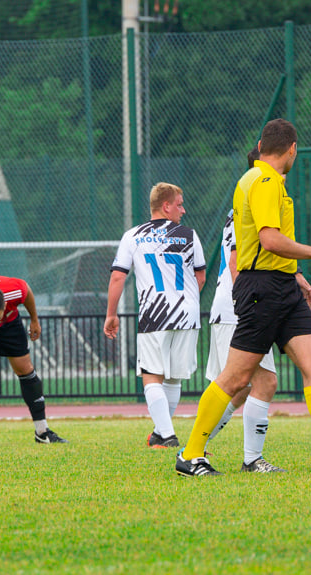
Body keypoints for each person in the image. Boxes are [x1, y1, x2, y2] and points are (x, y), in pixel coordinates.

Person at [175, 119, 311, 477]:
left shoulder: (265, 180)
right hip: (261, 289)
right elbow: (269, 240)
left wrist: (295, 276)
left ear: (262, 145)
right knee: (235, 377)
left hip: (282, 286)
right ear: (292, 149)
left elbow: (266, 249)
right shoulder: (262, 181)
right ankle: (191, 454)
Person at [203, 145, 311, 473]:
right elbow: (240, 259)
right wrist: (245, 302)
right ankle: (221, 453)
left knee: (243, 386)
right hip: (242, 303)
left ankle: (200, 447)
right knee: (247, 383)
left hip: (243, 300)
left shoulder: (250, 202)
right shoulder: (258, 194)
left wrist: (296, 276)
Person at [104, 182, 206, 448]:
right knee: (172, 376)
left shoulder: (134, 236)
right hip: (187, 313)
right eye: (179, 204)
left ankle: (167, 434)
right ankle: (161, 434)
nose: (183, 210)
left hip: (155, 313)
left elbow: (118, 277)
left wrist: (111, 314)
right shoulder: (188, 235)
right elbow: (200, 276)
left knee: (151, 375)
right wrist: (185, 299)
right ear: (166, 206)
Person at [0, 276, 68, 443]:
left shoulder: (14, 291)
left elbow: (27, 292)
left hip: (9, 322)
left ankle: (42, 432)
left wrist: (34, 320)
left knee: (25, 368)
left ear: (5, 306)